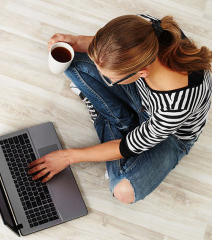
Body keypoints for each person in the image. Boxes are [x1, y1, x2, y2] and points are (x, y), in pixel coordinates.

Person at [28, 14, 212, 204]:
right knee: (69, 57)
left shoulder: (176, 105)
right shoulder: (146, 28)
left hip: (171, 136)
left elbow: (128, 147)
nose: (108, 80)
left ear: (142, 72)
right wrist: (76, 41)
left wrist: (68, 157)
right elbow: (113, 49)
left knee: (123, 190)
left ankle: (105, 116)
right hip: (142, 97)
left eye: (110, 79)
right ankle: (111, 116)